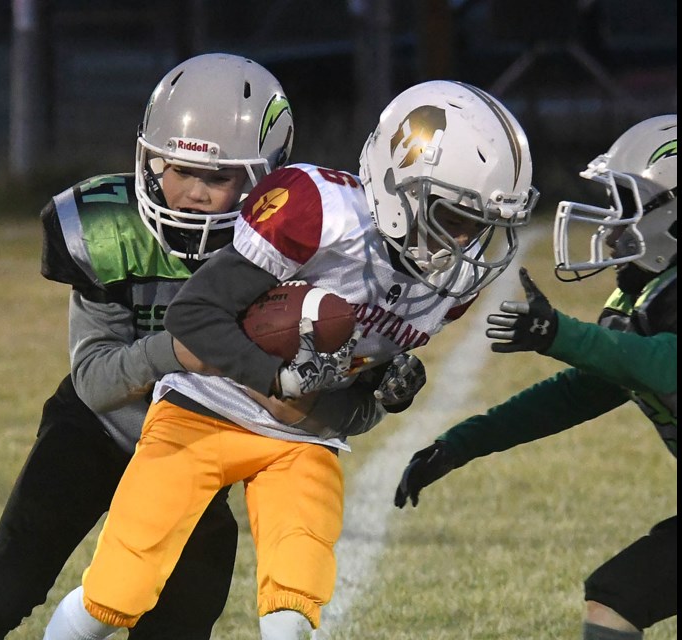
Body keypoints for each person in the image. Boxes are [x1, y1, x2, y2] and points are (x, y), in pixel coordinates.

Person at [42, 79, 539, 640]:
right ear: (402, 185)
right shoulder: (320, 212)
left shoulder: (447, 286)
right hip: (200, 410)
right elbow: (193, 317)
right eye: (455, 218)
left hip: (299, 442)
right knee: (117, 592)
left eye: (481, 229)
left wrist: (381, 388)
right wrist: (275, 377)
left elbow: (345, 400)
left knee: (293, 604)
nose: (467, 244)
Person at [0, 53, 304, 640]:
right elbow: (97, 383)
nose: (192, 193)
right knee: (1, 589)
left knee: (180, 619)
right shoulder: (110, 230)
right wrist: (183, 352)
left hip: (190, 453)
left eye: (216, 176)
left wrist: (373, 374)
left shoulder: (291, 249)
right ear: (149, 160)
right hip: (97, 431)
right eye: (178, 169)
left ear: (265, 181)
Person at [394, 114, 677, 640]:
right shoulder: (647, 299)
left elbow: (665, 363)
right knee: (618, 598)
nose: (610, 227)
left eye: (627, 207)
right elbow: (580, 393)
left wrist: (559, 334)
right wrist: (461, 444)